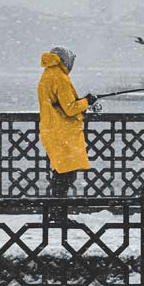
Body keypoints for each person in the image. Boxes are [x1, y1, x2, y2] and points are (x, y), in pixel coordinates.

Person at [37, 47, 98, 202]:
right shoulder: (60, 77)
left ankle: (55, 212)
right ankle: (57, 215)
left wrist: (81, 101)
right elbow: (70, 109)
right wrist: (87, 101)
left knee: (60, 173)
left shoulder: (48, 75)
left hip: (51, 129)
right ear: (65, 60)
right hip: (62, 132)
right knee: (65, 176)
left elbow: (59, 104)